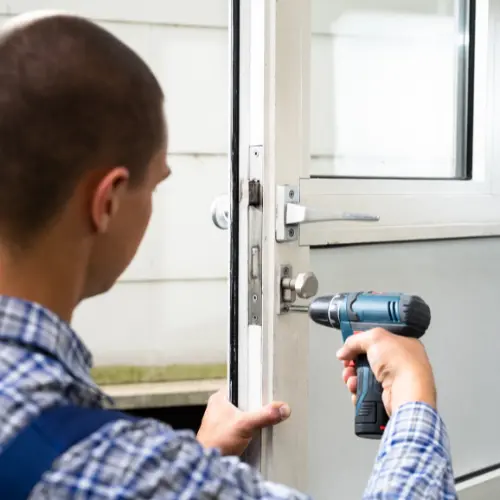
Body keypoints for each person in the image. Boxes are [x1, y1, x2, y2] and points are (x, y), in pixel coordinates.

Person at [0, 10, 456, 499]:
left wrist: (197, 462)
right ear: (107, 201)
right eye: (155, 186)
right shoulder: (112, 467)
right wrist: (414, 398)